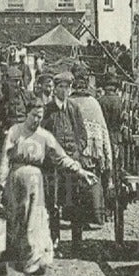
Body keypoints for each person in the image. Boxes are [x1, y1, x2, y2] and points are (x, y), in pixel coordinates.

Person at [0, 96, 98, 276]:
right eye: (34, 116)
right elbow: (5, 160)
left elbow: (62, 158)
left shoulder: (45, 136)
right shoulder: (15, 132)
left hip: (35, 184)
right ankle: (5, 258)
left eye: (40, 117)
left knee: (33, 228)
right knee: (14, 225)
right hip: (15, 181)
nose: (36, 120)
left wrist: (81, 172)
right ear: (26, 114)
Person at [39, 72, 88, 249]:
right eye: (61, 87)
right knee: (52, 202)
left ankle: (77, 241)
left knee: (75, 200)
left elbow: (82, 134)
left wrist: (77, 150)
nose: (64, 91)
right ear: (55, 89)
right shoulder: (47, 110)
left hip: (72, 162)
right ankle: (54, 239)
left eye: (67, 87)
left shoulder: (74, 109)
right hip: (53, 165)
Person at [69, 72, 112, 227]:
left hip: (74, 150)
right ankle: (94, 215)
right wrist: (107, 155)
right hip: (93, 151)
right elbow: (103, 129)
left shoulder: (69, 102)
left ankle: (74, 217)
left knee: (74, 183)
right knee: (93, 180)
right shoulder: (94, 103)